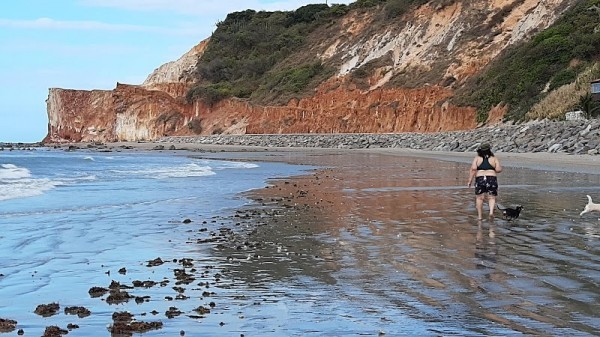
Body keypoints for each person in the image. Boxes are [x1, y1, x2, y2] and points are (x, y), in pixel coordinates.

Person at [467, 143, 502, 220]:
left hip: (480, 178)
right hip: (491, 178)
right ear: (489, 150)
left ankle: (480, 216)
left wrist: (470, 180)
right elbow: (498, 170)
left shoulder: (477, 158)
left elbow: (473, 169)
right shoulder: (494, 158)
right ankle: (491, 212)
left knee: (479, 198)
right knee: (491, 197)